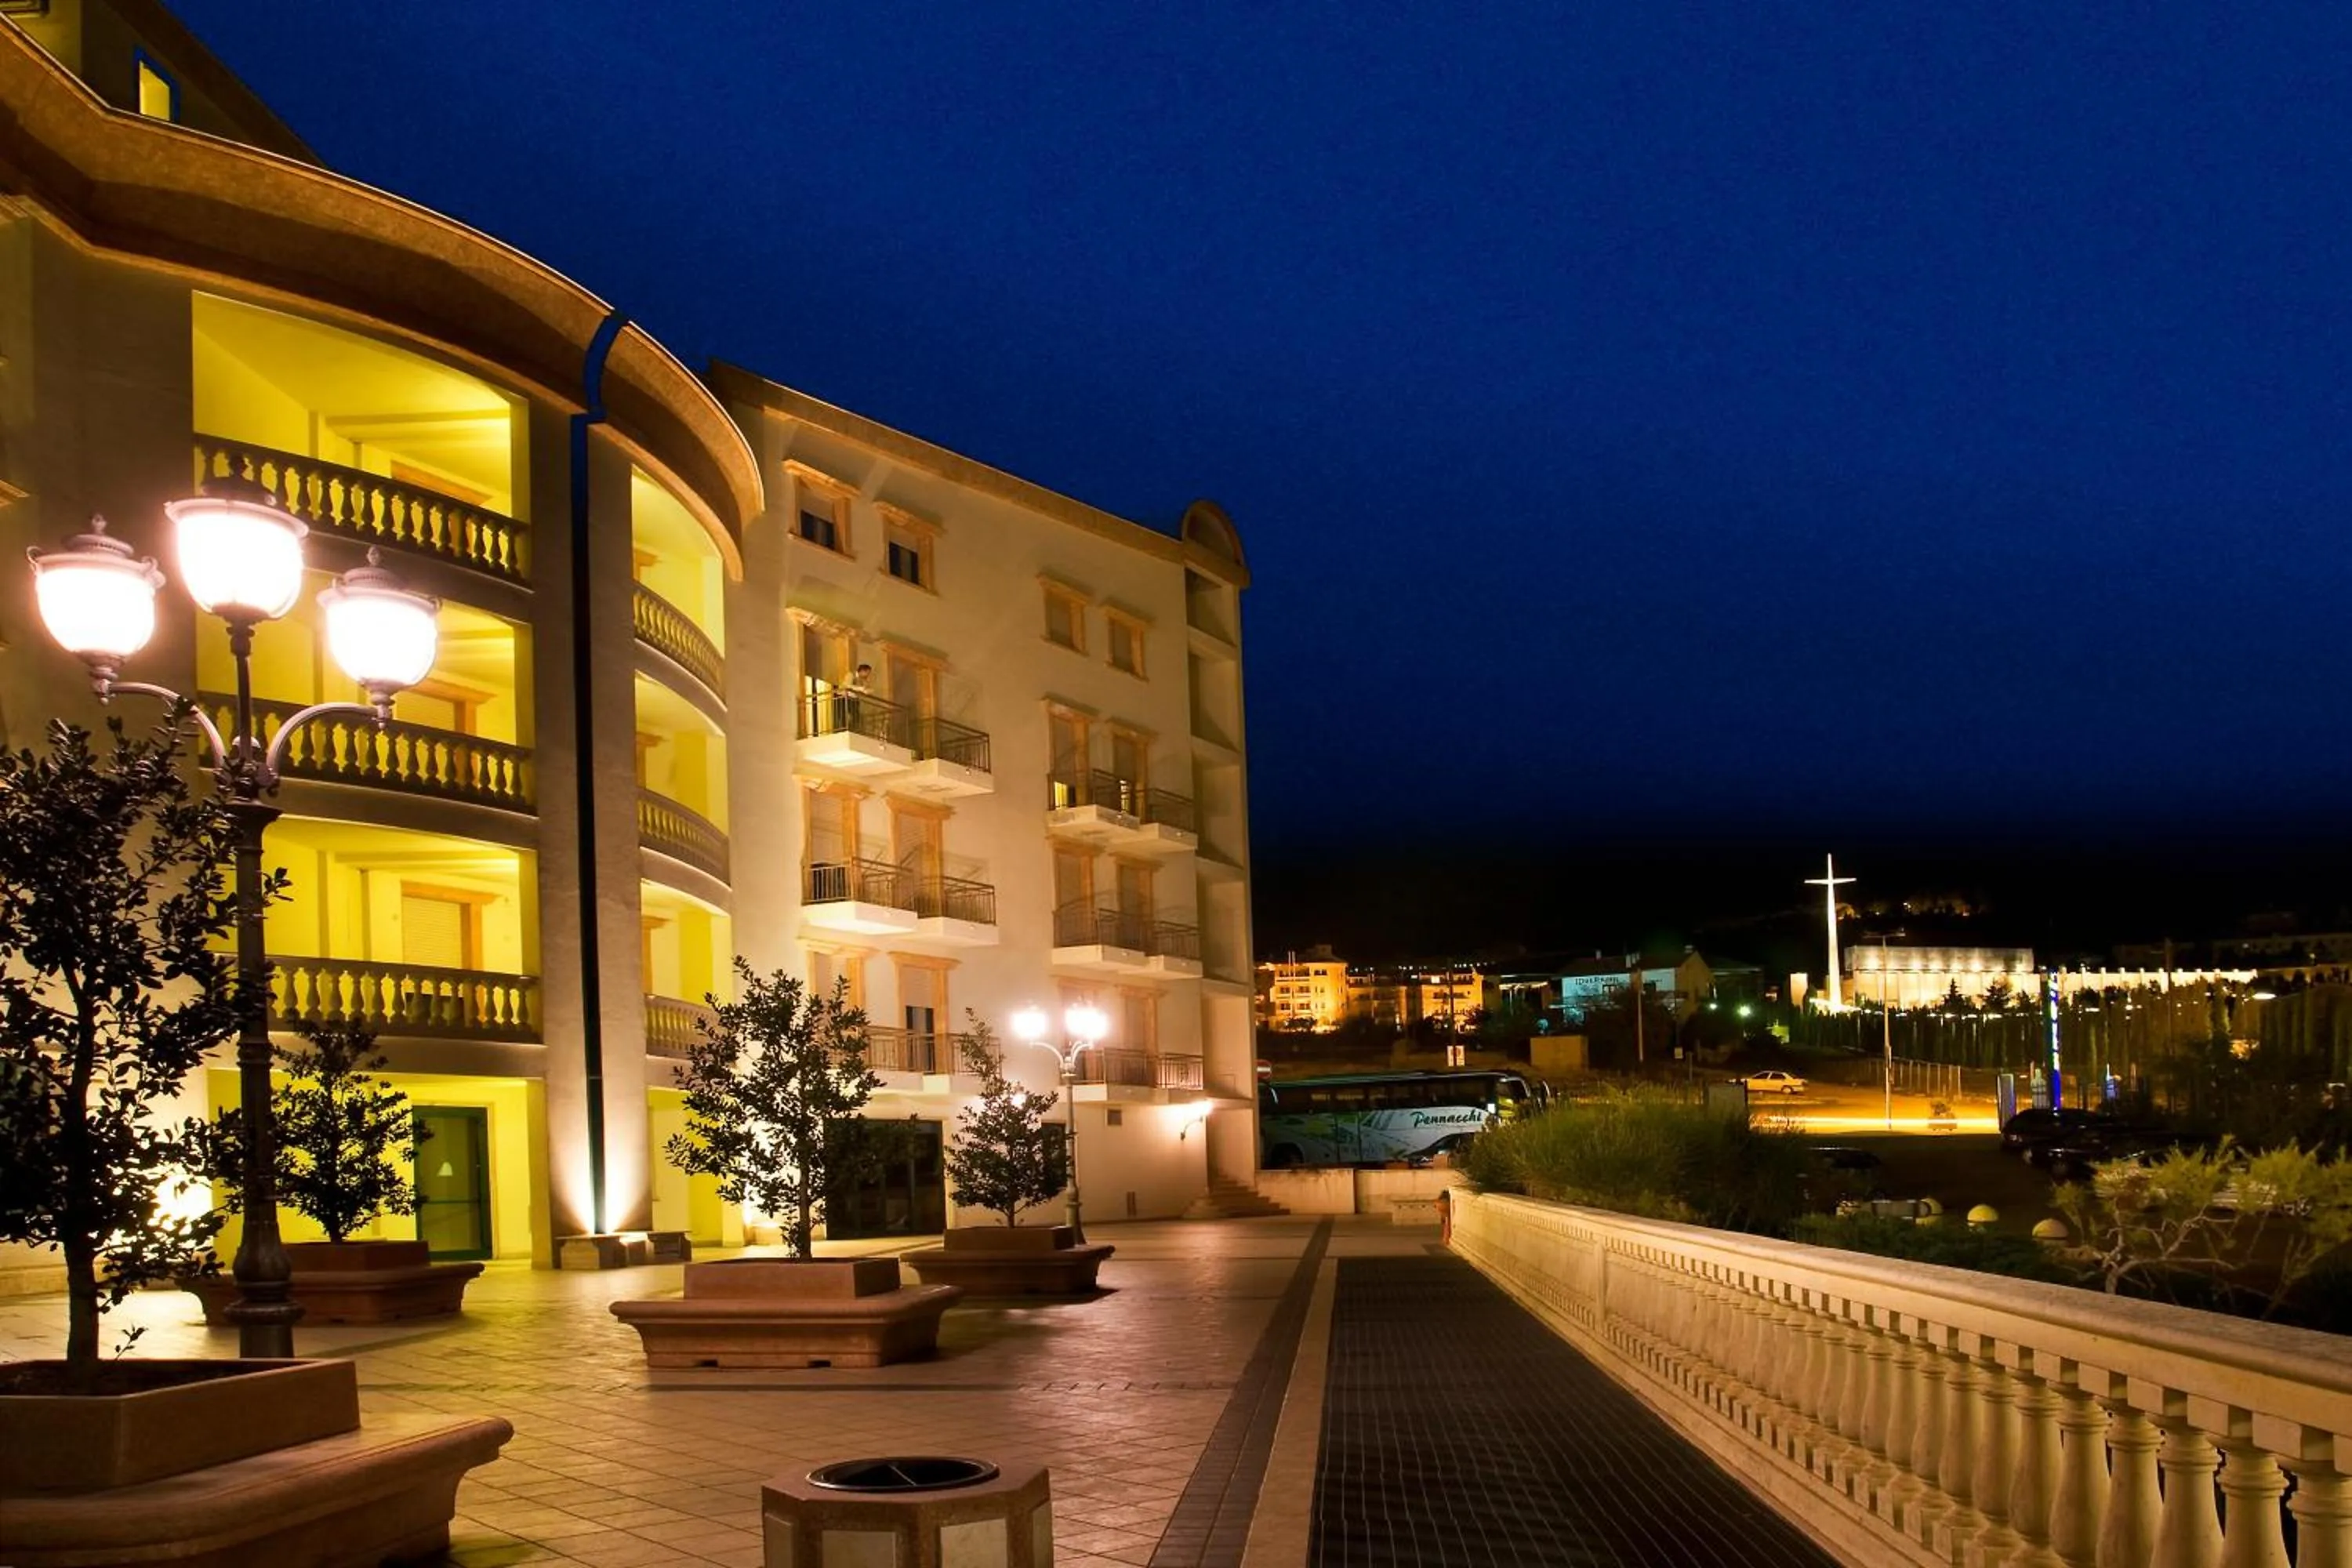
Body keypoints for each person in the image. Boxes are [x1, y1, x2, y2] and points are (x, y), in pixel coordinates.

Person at [837, 662, 873, 733]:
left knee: (856, 716)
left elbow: (866, 688)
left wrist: (866, 688)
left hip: (853, 699)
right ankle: (842, 729)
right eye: (867, 673)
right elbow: (848, 685)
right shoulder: (851, 675)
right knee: (842, 715)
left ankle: (854, 730)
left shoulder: (862, 680)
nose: (868, 675)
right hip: (844, 697)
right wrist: (860, 689)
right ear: (862, 671)